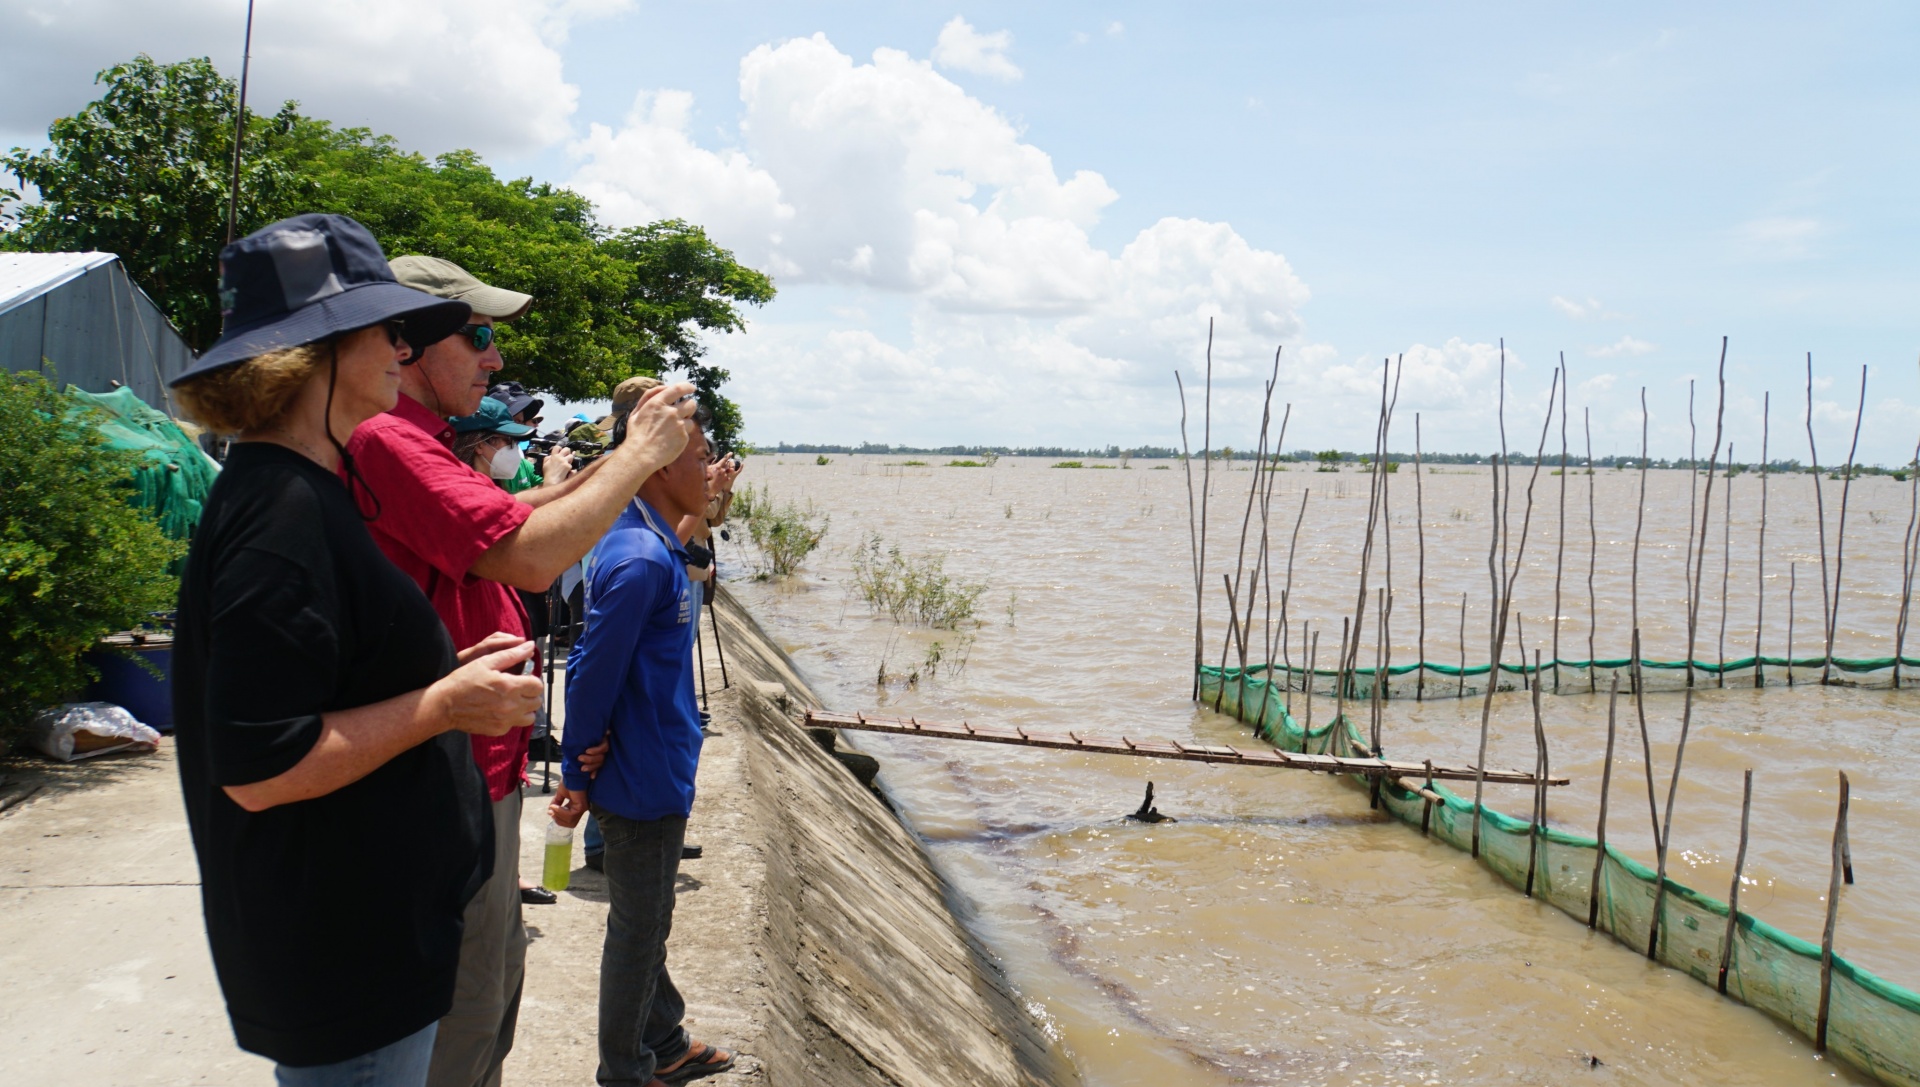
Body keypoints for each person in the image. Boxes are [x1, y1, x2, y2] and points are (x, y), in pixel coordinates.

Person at [169, 214, 545, 1086]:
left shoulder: (308, 486)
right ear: (318, 350)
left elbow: (330, 679)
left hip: (374, 937)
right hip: (344, 956)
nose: (400, 347)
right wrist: (444, 705)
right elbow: (262, 764)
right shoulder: (281, 516)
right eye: (387, 327)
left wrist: (441, 679)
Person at [345, 254, 699, 1087]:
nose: (494, 359)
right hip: (447, 772)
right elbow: (529, 557)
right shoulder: (387, 439)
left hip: (485, 765)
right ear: (404, 345)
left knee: (494, 986)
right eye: (478, 337)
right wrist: (638, 456)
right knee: (464, 1010)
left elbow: (507, 517)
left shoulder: (422, 442)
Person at [550, 408, 737, 1087]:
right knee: (638, 930)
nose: (709, 473)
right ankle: (625, 1069)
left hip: (658, 762)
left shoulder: (658, 545)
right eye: (698, 460)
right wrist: (576, 762)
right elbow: (590, 668)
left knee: (648, 917)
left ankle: (665, 1035)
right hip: (641, 774)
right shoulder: (636, 559)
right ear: (659, 466)